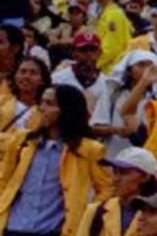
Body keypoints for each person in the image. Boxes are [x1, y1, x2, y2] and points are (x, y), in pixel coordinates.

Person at [0, 84, 110, 235]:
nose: (42, 108)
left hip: (54, 230)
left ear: (67, 109)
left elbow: (106, 188)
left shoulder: (89, 149)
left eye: (50, 104)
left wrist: (86, 213)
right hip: (14, 227)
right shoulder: (23, 141)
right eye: (42, 102)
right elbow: (4, 180)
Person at [81, 147, 157, 236]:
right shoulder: (95, 211)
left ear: (145, 177)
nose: (115, 179)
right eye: (115, 172)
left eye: (124, 173)